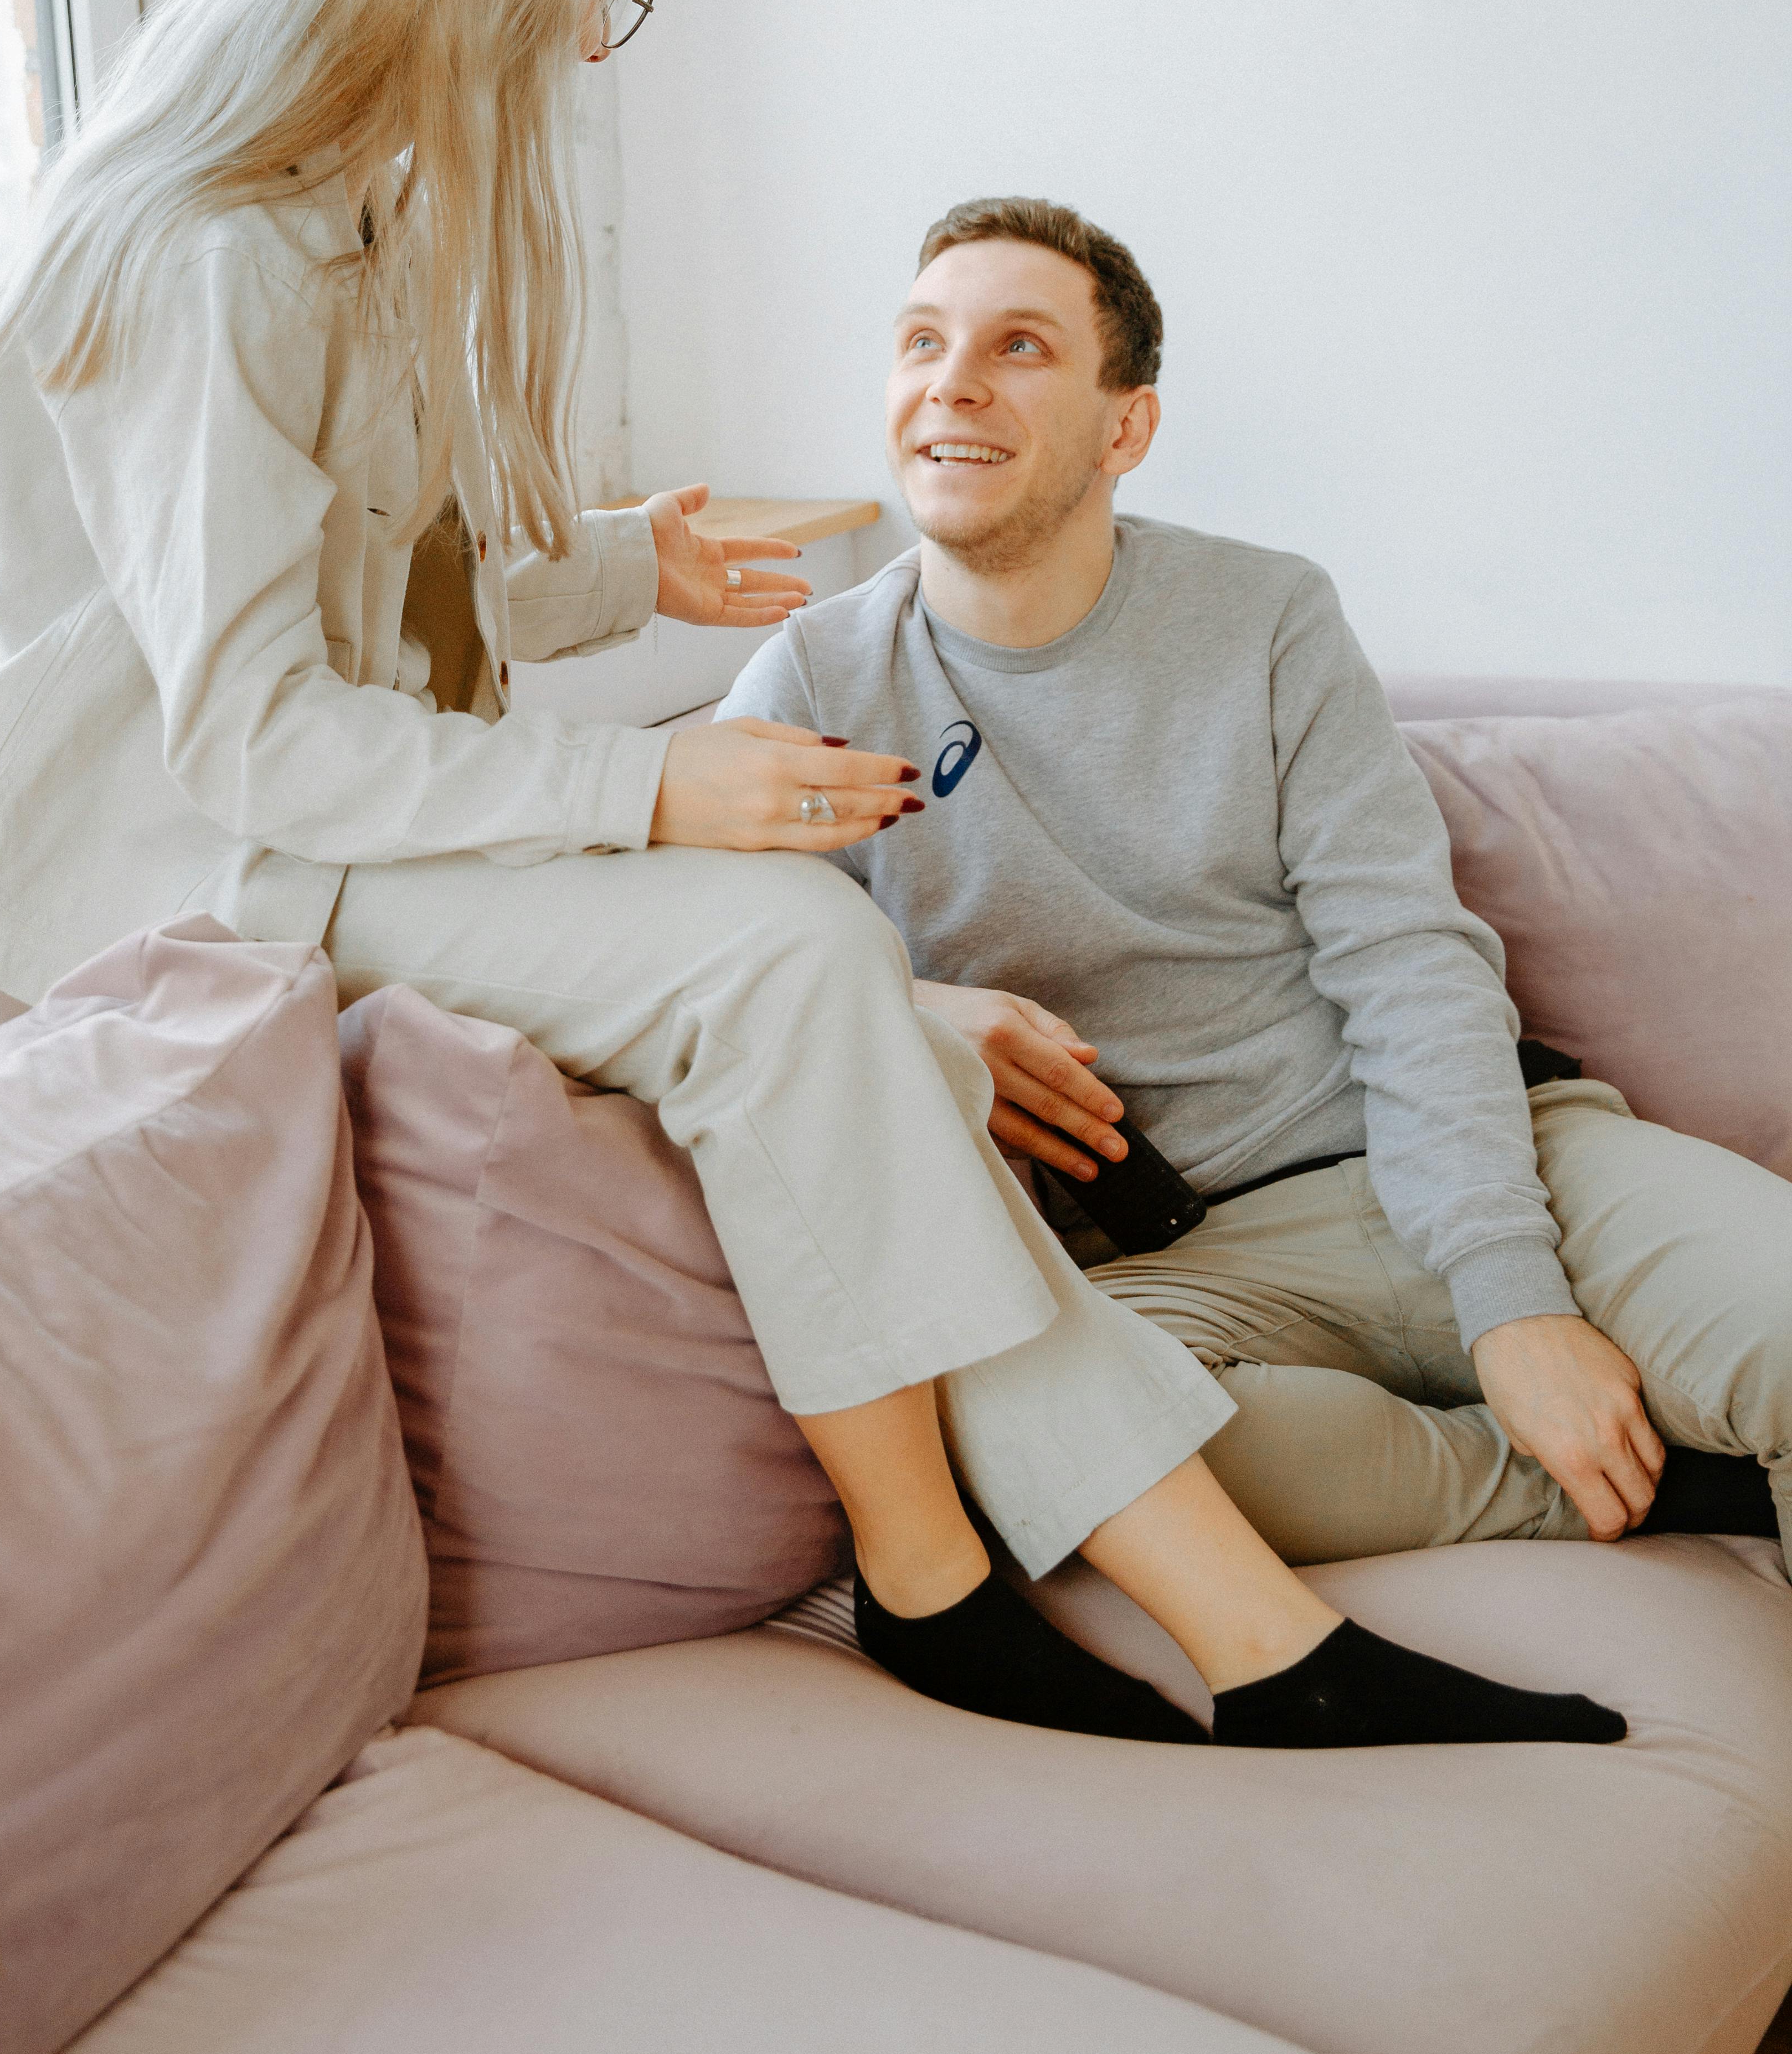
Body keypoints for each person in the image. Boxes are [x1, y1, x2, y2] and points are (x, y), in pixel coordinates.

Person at [0, 0, 1622, 1753]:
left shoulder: (350, 224)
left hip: (308, 809)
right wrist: (649, 780)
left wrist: (618, 571)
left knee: (833, 981)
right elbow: (255, 736)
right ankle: (1139, 1615)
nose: (584, 33)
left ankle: (1004, 1590)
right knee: (798, 948)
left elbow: (365, 570)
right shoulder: (213, 256)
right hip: (190, 856)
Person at [719, 194, 1791, 1581]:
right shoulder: (810, 683)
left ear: (1127, 428)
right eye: (921, 341)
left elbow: (1406, 955)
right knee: (1059, 1457)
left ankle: (1597, 1408)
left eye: (1020, 346)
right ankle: (1651, 1481)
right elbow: (684, 961)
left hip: (1481, 1160)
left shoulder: (1267, 615)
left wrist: (1513, 1300)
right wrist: (911, 1008)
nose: (952, 381)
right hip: (1185, 1268)